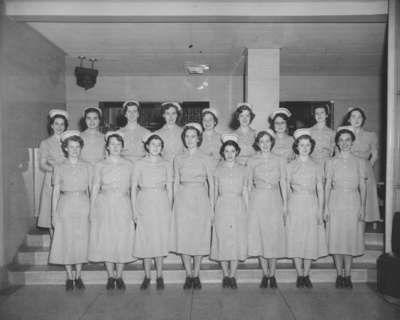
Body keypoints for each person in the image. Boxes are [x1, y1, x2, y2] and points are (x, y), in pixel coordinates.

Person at [88, 131, 135, 290]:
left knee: (122, 238)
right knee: (106, 238)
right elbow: (95, 186)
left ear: (122, 147)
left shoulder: (129, 164)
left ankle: (120, 275)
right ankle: (110, 276)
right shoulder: (100, 165)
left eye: (118, 144)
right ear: (107, 146)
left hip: (123, 203)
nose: (115, 147)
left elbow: (134, 187)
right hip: (104, 203)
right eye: (112, 144)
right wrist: (92, 208)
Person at [171, 122, 214, 290]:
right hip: (183, 198)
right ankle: (188, 275)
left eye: (193, 136)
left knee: (199, 236)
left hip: (200, 198)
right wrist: (174, 202)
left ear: (199, 139)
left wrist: (211, 206)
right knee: (184, 236)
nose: (190, 140)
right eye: (187, 136)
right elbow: (175, 180)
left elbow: (211, 182)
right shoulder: (178, 158)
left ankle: (197, 274)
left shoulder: (206, 158)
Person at [325, 126, 367, 289]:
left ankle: (347, 274)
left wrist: (362, 207)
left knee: (349, 238)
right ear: (337, 142)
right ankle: (338, 274)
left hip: (353, 201)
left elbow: (362, 186)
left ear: (352, 142)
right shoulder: (331, 162)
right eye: (341, 140)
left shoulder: (360, 162)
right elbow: (327, 185)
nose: (344, 143)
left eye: (347, 140)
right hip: (335, 200)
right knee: (336, 237)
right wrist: (325, 207)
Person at [49, 130, 91, 291]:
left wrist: (90, 210)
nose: (74, 150)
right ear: (65, 148)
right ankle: (68, 275)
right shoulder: (59, 167)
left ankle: (78, 275)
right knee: (66, 239)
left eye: (77, 147)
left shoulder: (87, 166)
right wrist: (53, 214)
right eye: (71, 147)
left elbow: (89, 189)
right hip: (65, 204)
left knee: (81, 240)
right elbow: (55, 191)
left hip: (82, 203)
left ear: (81, 148)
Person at [286, 128, 328, 288]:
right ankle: (299, 274)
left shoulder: (317, 166)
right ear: (296, 146)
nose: (304, 148)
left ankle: (307, 274)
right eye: (301, 145)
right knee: (296, 237)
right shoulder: (290, 166)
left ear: (311, 146)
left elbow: (320, 188)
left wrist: (321, 208)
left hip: (311, 203)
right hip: (295, 203)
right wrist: (288, 205)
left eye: (307, 145)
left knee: (310, 238)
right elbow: (287, 187)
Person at [131, 133, 173, 290]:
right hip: (144, 201)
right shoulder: (139, 164)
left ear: (162, 147)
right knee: (146, 239)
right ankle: (147, 276)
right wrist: (134, 210)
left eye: (158, 145)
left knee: (159, 239)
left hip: (161, 201)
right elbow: (134, 187)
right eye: (152, 144)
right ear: (147, 146)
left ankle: (160, 275)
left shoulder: (166, 164)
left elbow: (169, 187)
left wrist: (169, 207)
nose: (155, 147)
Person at [247, 129, 287, 289]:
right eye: (261, 141)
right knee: (261, 235)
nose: (265, 144)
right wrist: (249, 203)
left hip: (275, 198)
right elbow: (248, 183)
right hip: (258, 199)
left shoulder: (280, 160)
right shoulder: (251, 160)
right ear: (257, 143)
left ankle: (273, 273)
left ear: (272, 142)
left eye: (268, 141)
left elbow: (283, 181)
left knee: (273, 235)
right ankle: (265, 274)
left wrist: (285, 203)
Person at [211, 134, 248, 289]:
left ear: (237, 152)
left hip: (238, 204)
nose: (230, 154)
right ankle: (225, 274)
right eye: (226, 151)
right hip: (222, 205)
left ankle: (233, 275)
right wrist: (212, 210)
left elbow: (246, 189)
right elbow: (213, 192)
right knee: (223, 240)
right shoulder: (217, 170)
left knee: (236, 240)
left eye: (233, 151)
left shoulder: (244, 169)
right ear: (222, 153)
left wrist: (247, 209)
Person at [342, 107, 380, 222]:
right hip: (347, 170)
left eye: (360, 117)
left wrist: (366, 167)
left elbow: (375, 155)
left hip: (365, 170)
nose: (357, 119)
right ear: (349, 119)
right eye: (353, 116)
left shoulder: (371, 135)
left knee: (364, 206)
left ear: (363, 119)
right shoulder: (343, 135)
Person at [37, 109, 68, 235]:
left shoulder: (70, 142)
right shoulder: (46, 143)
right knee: (52, 213)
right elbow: (43, 164)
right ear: (51, 125)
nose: (59, 127)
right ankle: (54, 247)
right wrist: (56, 170)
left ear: (66, 126)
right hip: (51, 181)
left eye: (62, 124)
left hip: (68, 181)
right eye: (56, 124)